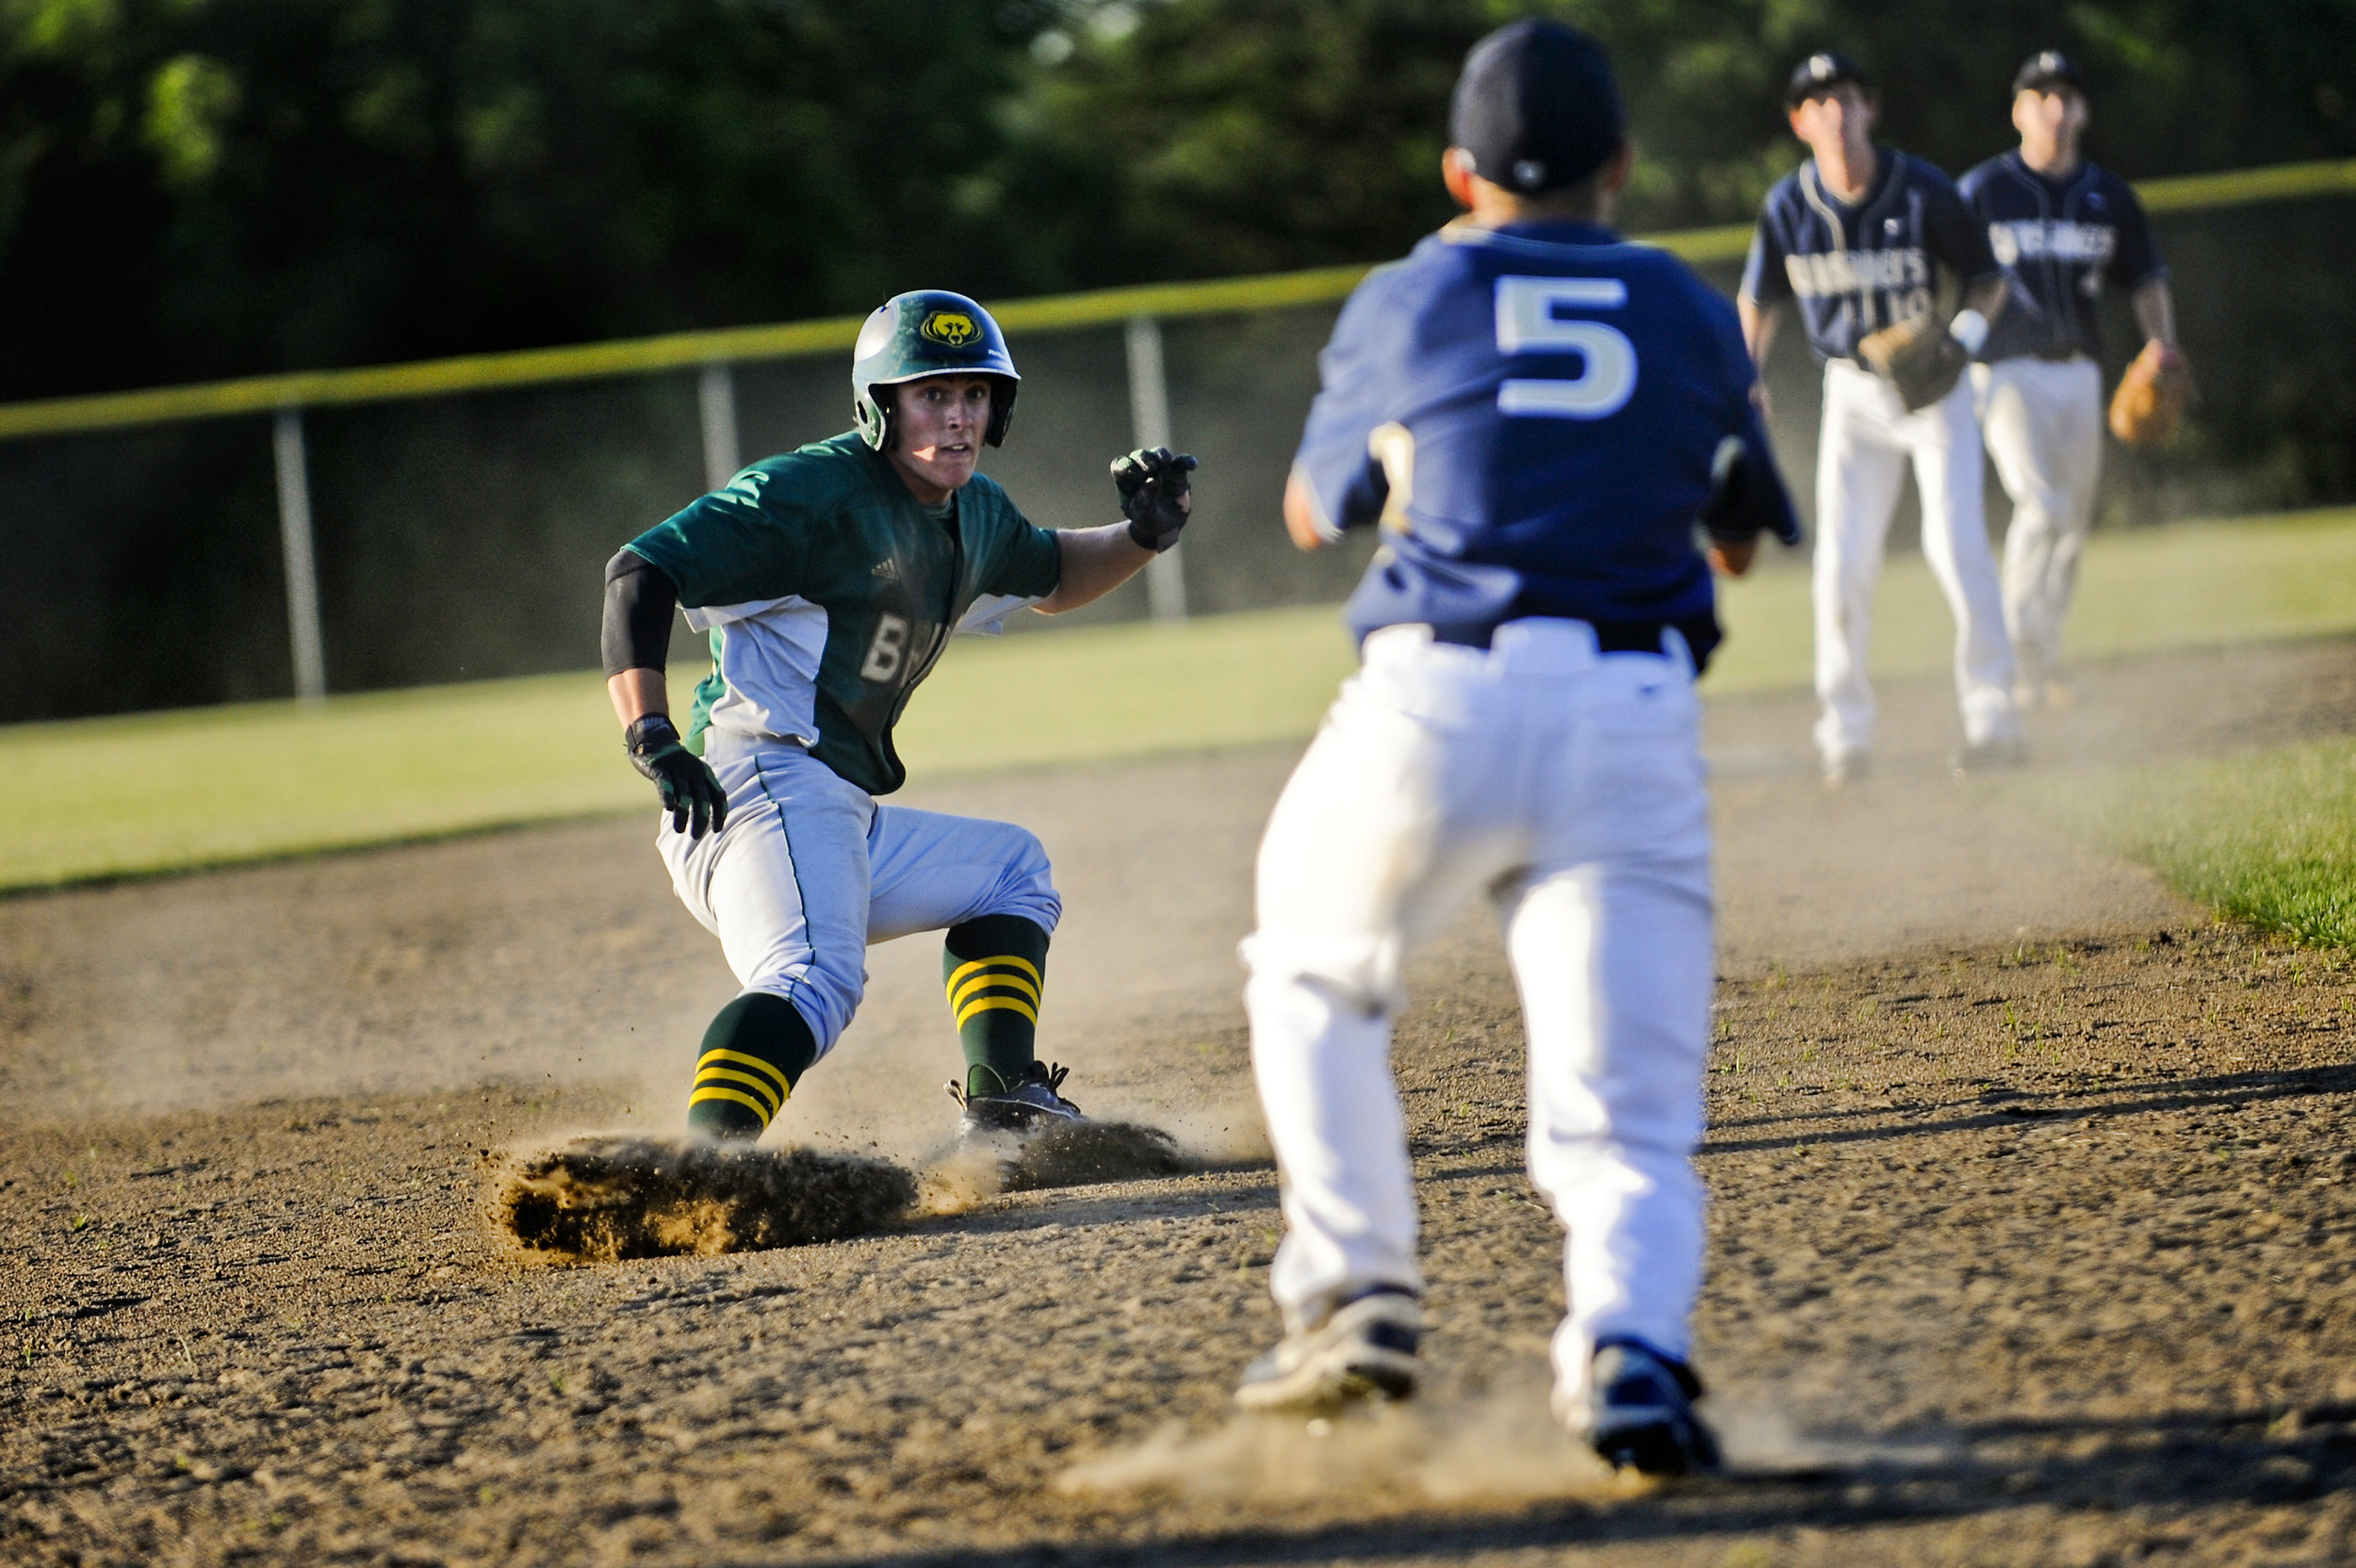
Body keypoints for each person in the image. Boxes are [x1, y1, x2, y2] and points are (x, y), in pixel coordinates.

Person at [1230, 19, 1799, 1478]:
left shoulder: (1410, 292)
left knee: (1313, 967)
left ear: (1458, 170)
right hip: (1633, 720)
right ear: (1621, 165)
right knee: (1626, 1116)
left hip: (1436, 707)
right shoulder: (1679, 304)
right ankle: (1631, 1353)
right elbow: (1737, 542)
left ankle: (1358, 1298)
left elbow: (1314, 512)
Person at [598, 291, 1197, 1143]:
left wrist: (1143, 534)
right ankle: (703, 1167)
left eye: (975, 396)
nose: (958, 419)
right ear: (880, 406)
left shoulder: (976, 512)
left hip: (833, 805)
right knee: (811, 977)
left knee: (1010, 871)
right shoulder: (807, 493)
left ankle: (1004, 1103)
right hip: (755, 783)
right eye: (933, 396)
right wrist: (650, 734)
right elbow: (640, 571)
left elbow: (1056, 575)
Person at [1739, 53, 2022, 787]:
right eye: (1816, 103)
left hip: (1934, 389)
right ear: (1800, 123)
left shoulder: (1924, 189)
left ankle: (1993, 715)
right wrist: (1749, 372)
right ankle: (1846, 734)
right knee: (1841, 562)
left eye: (1844, 98)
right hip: (1854, 395)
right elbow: (1759, 299)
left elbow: (1988, 282)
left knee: (1956, 545)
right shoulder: (1788, 205)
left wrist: (1960, 341)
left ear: (1869, 109)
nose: (1833, 112)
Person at [1961, 50, 2182, 710]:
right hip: (2005, 372)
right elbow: (1943, 268)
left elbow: (2146, 277)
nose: (2054, 109)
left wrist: (2162, 347)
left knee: (2073, 522)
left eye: (2065, 97)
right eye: (2040, 96)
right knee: (2042, 505)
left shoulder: (2107, 196)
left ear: (2081, 111)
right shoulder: (1982, 190)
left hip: (2081, 373)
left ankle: (2043, 659)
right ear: (2018, 111)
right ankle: (2012, 651)